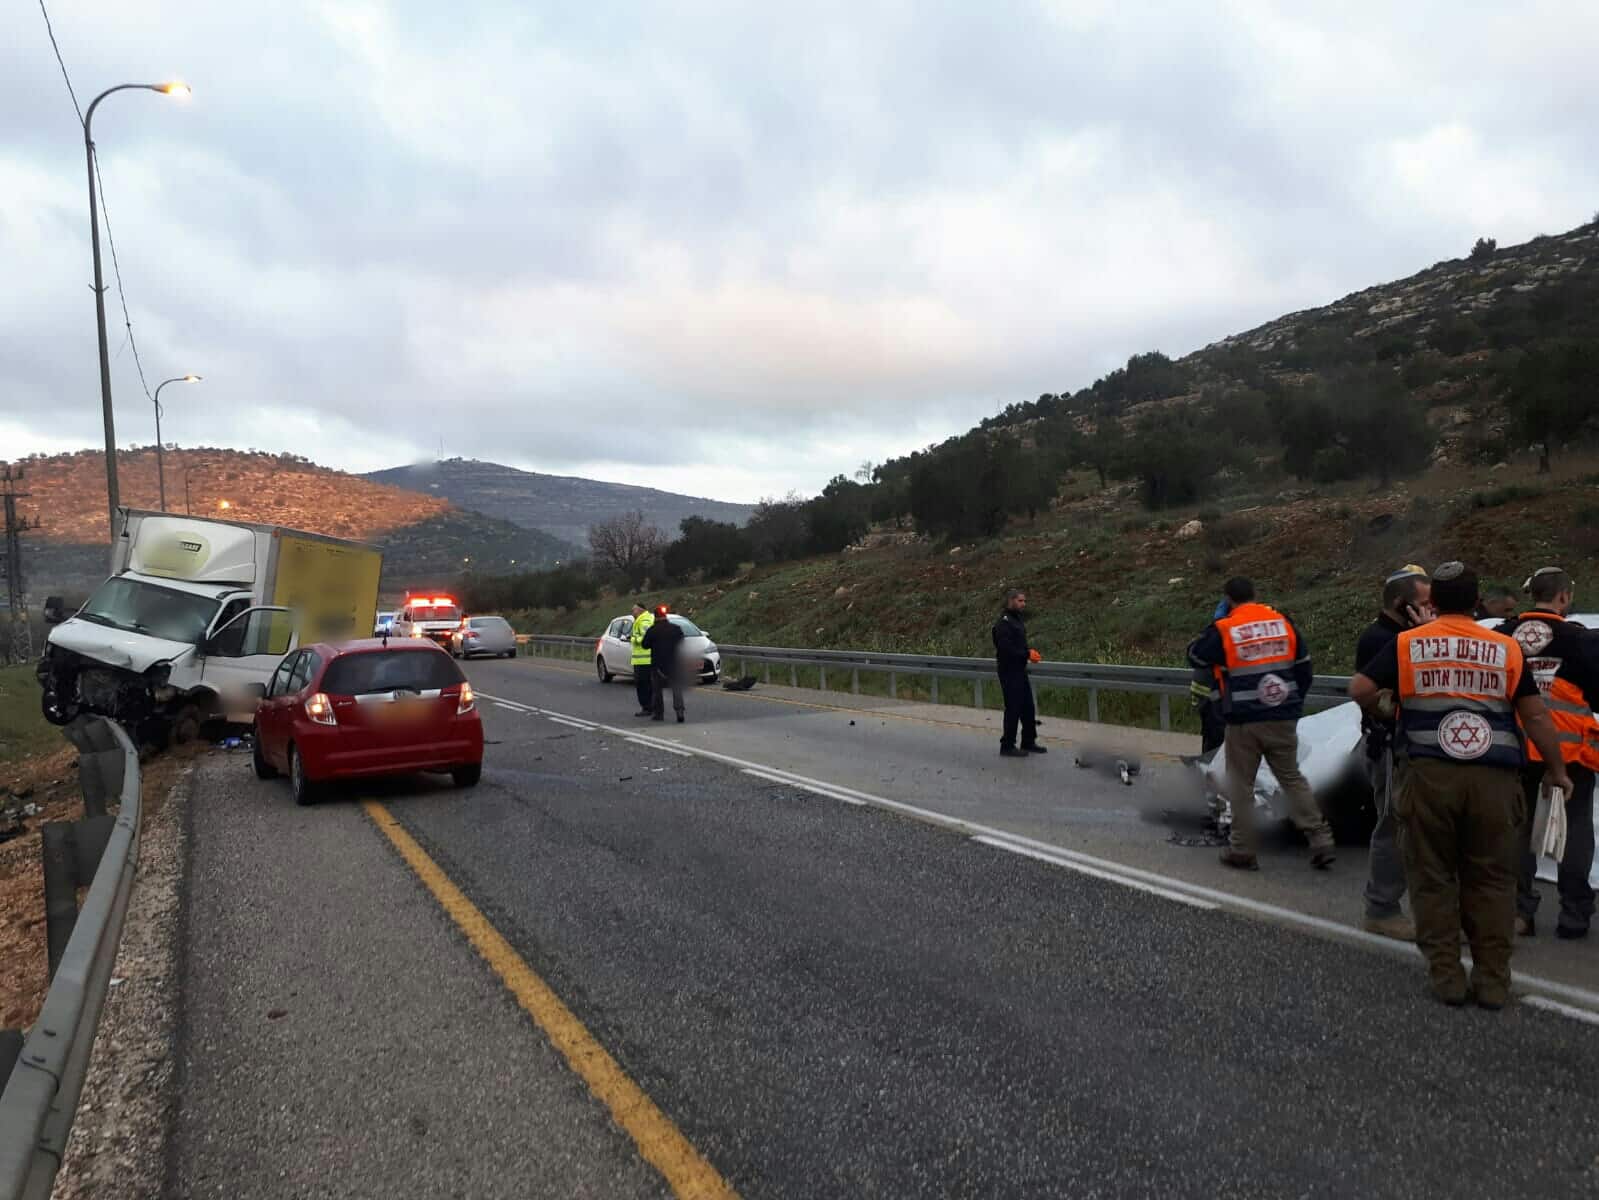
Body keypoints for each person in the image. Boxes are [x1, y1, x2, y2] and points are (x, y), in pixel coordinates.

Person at [1350, 562, 1570, 1009]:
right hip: (1493, 780)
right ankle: (1492, 981)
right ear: (1475, 602)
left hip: (1429, 776)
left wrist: (1391, 709)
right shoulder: (1506, 648)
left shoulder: (1408, 643)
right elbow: (1535, 716)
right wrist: (1558, 769)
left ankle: (1447, 976)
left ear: (1435, 602)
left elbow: (1359, 688)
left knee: (1432, 878)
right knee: (1491, 881)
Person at [1188, 577, 1334, 871]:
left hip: (1244, 719)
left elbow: (1194, 655)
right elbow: (1304, 668)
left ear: (1228, 599)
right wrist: (1291, 704)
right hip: (1282, 717)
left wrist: (1214, 626)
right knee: (1292, 779)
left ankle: (1243, 850)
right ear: (1256, 595)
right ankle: (1320, 839)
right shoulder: (1283, 622)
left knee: (1241, 784)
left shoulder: (1226, 628)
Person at [1496, 566, 1599, 940]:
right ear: (1564, 597)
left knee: (1516, 830)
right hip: (1571, 751)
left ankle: (1518, 911)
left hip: (1516, 750)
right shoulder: (1581, 639)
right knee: (1575, 829)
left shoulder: (1504, 636)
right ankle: (1574, 915)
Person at [1352, 566, 1433, 941]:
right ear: (1401, 605)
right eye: (1424, 603)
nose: (1432, 609)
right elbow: (1376, 698)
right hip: (1388, 748)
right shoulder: (1381, 639)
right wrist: (1424, 636)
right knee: (1393, 826)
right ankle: (1381, 909)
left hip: (1414, 749)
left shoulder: (1405, 635)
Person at [992, 588, 1045, 758]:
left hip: (1020, 670)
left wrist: (1028, 652)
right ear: (1011, 601)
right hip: (1008, 671)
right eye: (1020, 601)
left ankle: (1028, 741)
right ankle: (1007, 745)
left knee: (1028, 707)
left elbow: (1019, 645)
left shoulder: (1017, 620)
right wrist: (1026, 654)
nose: (1024, 604)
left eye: (1025, 601)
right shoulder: (1004, 623)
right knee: (1013, 708)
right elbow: (1006, 649)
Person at [1190, 595, 1232, 756]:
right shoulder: (1223, 634)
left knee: (1212, 739)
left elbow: (1194, 654)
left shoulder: (1213, 632)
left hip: (1207, 698)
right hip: (1213, 699)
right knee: (1216, 743)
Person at [641, 604, 686, 723]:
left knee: (657, 690)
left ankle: (659, 714)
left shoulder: (652, 630)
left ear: (655, 617)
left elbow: (644, 645)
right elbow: (681, 640)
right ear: (665, 616)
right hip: (673, 663)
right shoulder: (676, 628)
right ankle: (679, 711)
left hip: (657, 665)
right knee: (676, 689)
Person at [629, 602, 655, 717]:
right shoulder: (645, 619)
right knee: (648, 685)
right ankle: (650, 706)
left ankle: (647, 708)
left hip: (643, 660)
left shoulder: (644, 620)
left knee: (643, 685)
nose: (632, 612)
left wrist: (634, 639)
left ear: (640, 610)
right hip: (645, 659)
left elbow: (645, 637)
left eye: (633, 610)